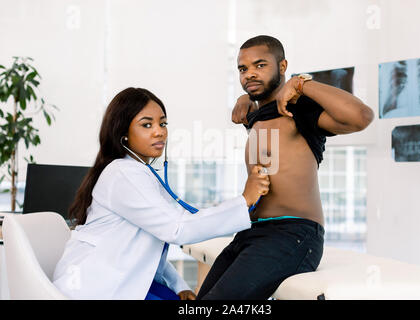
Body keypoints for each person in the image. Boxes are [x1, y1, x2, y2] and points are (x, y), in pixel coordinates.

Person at [196, 35, 374, 300]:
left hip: (293, 234)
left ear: (282, 66)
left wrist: (301, 84)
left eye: (260, 65)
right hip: (251, 232)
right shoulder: (255, 115)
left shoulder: (297, 109)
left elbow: (362, 117)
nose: (250, 74)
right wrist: (244, 100)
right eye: (243, 69)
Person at [52, 87, 270, 300]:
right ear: (123, 133)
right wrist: (244, 200)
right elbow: (178, 228)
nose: (159, 131)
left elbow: (147, 248)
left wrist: (179, 286)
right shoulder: (123, 173)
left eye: (163, 123)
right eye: (147, 125)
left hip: (119, 280)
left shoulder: (140, 173)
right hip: (95, 287)